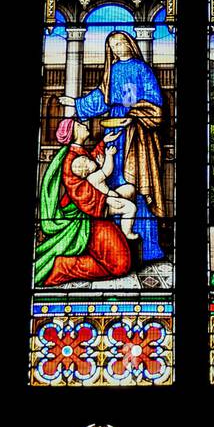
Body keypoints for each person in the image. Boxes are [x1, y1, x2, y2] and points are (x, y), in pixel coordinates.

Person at [61, 31, 166, 261]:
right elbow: (102, 97)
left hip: (137, 133)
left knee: (137, 182)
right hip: (114, 131)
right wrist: (76, 103)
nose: (118, 48)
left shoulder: (141, 68)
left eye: (121, 43)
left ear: (130, 43)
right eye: (113, 45)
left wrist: (135, 110)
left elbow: (155, 100)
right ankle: (117, 247)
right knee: (113, 182)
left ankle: (148, 247)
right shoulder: (113, 70)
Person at [36, 119, 134, 287]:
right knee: (120, 265)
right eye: (79, 125)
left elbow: (92, 166)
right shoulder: (71, 161)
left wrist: (104, 142)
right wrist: (106, 199)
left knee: (121, 262)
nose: (85, 125)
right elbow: (80, 192)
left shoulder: (78, 153)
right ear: (74, 134)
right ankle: (63, 266)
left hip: (94, 213)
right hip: (85, 218)